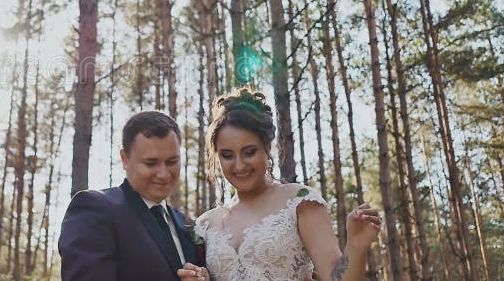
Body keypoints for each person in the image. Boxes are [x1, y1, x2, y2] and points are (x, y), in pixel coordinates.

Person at [178, 87, 381, 281]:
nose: (239, 166)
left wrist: (355, 245)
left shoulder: (300, 201)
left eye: (249, 152)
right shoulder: (205, 224)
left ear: (268, 147)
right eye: (227, 155)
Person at [58, 111, 209, 281]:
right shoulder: (94, 210)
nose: (164, 173)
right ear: (125, 159)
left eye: (171, 162)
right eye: (151, 163)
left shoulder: (187, 224)